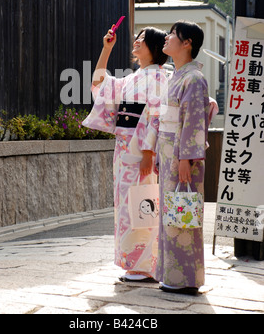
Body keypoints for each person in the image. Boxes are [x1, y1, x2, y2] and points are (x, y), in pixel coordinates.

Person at [83, 25, 169, 281]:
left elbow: (157, 118)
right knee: (126, 207)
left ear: (155, 47)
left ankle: (146, 264)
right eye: (137, 37)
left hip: (143, 151)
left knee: (145, 203)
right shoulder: (134, 78)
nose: (136, 41)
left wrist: (149, 153)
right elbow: (99, 84)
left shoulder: (162, 78)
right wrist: (106, 49)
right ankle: (135, 263)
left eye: (142, 39)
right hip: (124, 150)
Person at [133, 20, 213, 294]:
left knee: (184, 215)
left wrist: (185, 159)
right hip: (169, 154)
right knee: (172, 215)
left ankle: (186, 278)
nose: (166, 38)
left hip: (182, 158)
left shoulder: (194, 78)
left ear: (187, 43)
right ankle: (173, 275)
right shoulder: (177, 76)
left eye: (172, 35)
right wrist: (157, 153)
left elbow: (193, 122)